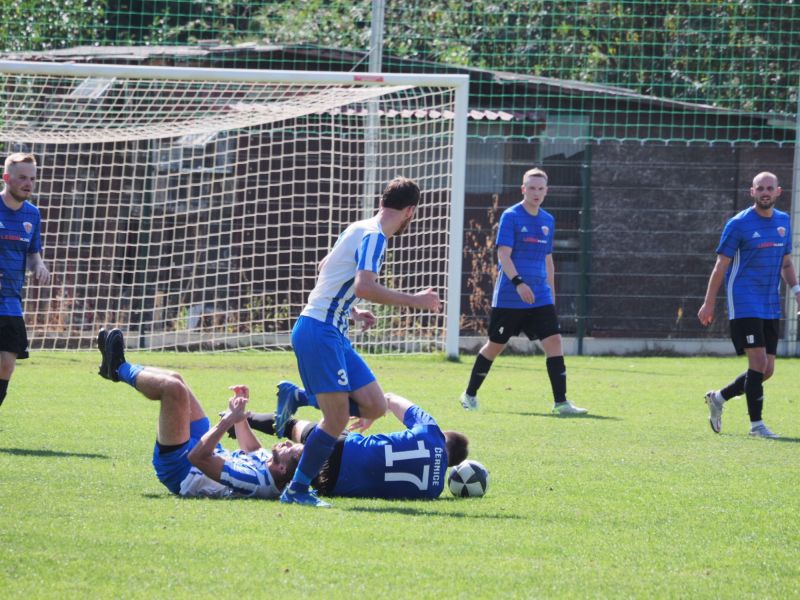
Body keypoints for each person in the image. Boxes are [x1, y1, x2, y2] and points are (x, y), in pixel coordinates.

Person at [279, 176, 441, 507]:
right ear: (410, 211)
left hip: (333, 330)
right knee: (336, 419)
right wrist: (417, 299)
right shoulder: (375, 236)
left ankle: (298, 395)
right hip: (319, 331)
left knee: (376, 406)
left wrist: (351, 311)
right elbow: (365, 285)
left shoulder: (357, 227)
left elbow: (326, 268)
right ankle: (296, 490)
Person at [96, 328, 302, 497]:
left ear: (283, 469)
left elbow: (197, 458)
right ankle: (117, 367)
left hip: (182, 468)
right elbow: (252, 449)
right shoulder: (272, 466)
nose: (286, 442)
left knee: (172, 389)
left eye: (290, 449)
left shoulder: (255, 482)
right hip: (209, 449)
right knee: (177, 380)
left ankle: (118, 368)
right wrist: (240, 416)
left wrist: (227, 421)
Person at [458, 168, 587, 415]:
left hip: (540, 296)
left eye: (541, 188)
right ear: (523, 189)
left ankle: (561, 403)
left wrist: (550, 294)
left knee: (554, 341)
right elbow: (503, 255)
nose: (536, 193)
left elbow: (548, 259)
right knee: (496, 346)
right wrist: (518, 282)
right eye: (532, 188)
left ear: (546, 191)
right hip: (510, 296)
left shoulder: (548, 220)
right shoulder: (511, 216)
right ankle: (469, 394)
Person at [698, 171, 800, 438]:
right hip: (743, 300)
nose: (765, 192)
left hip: (770, 303)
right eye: (760, 188)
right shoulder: (738, 224)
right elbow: (721, 265)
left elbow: (786, 263)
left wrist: (797, 290)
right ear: (751, 192)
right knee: (757, 362)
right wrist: (708, 303)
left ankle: (719, 398)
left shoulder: (783, 221)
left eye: (769, 188)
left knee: (766, 370)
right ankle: (757, 426)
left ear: (778, 192)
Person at [238, 384, 469, 499]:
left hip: (343, 449)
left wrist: (370, 415)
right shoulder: (435, 490)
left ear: (444, 435)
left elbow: (388, 399)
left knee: (294, 427)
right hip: (334, 486)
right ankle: (254, 462)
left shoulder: (431, 431)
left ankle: (241, 419)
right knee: (291, 470)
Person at [0, 153, 50, 408]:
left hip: (9, 301)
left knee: (7, 365)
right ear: (6, 178)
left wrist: (39, 266)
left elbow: (32, 252)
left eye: (32, 178)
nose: (28, 183)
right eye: (22, 177)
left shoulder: (32, 215)